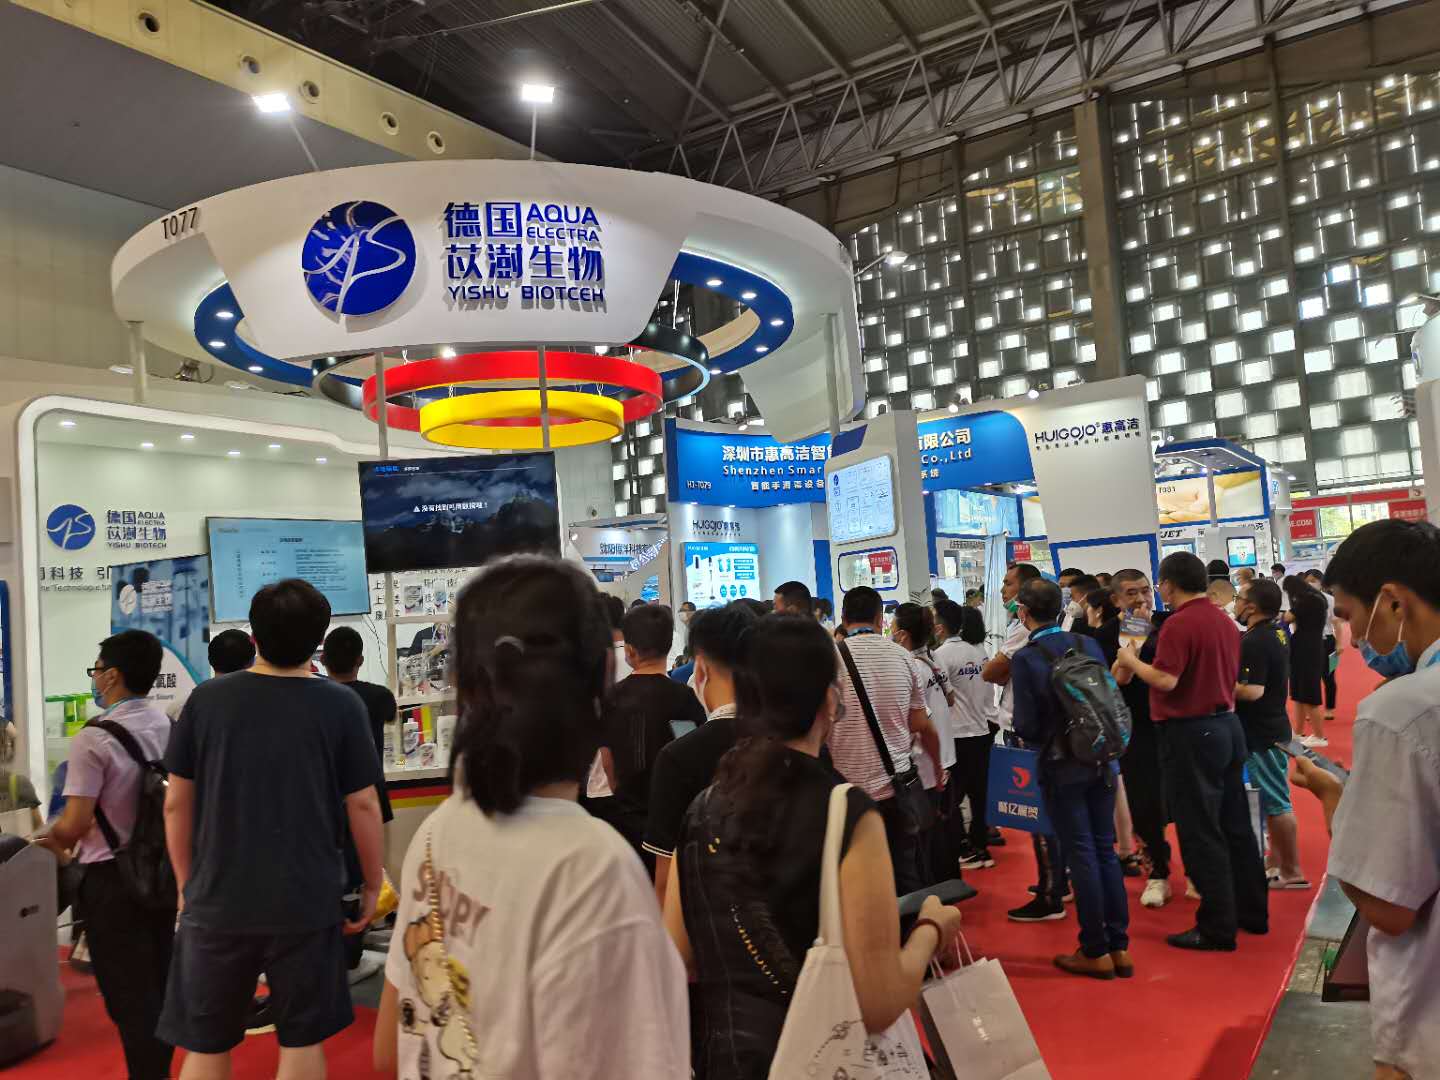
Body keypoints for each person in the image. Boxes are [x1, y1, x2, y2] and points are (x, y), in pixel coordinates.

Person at [374, 555, 690, 1078]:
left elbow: (389, 1049)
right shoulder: (592, 867)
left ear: (466, 687)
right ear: (602, 679)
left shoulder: (438, 831)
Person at [664, 614, 962, 1079]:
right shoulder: (844, 811)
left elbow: (678, 956)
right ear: (829, 699)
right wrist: (931, 930)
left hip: (724, 1060)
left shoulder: (702, 807)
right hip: (821, 1059)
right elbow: (877, 1004)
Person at [158, 580, 385, 1080]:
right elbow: (364, 804)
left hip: (217, 898)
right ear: (318, 642)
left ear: (253, 637)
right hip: (307, 898)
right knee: (301, 1041)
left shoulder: (207, 701)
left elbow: (176, 803)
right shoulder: (340, 705)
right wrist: (372, 883)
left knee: (207, 1044)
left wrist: (185, 884)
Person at [1291, 519, 1440, 1080]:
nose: (1353, 638)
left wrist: (1337, 803)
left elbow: (1388, 904)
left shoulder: (1404, 710)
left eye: (1352, 615)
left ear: (1394, 602)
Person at [32, 630, 175, 1080]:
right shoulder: (166, 725)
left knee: (128, 996)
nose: (94, 679)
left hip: (112, 882)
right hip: (162, 871)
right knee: (158, 982)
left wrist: (48, 839)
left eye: (95, 671)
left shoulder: (93, 739)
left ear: (112, 676)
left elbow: (75, 824)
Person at [1113, 552, 1268, 951]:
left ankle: (1217, 926)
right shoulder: (1223, 620)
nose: (1146, 595)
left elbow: (1165, 680)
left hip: (1191, 731)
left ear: (1167, 585)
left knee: (1200, 830)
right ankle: (1252, 911)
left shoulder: (1179, 624)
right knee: (1235, 824)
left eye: (1151, 587)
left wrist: (1129, 658)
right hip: (1226, 725)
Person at [1010, 580, 1132, 980]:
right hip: (1102, 757)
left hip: (1061, 765)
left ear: (1024, 613)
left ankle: (1094, 949)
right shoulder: (1088, 644)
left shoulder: (1026, 658)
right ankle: (1119, 947)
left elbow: (1026, 724)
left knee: (1080, 852)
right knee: (1104, 849)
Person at [644, 602, 759, 906]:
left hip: (706, 920)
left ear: (701, 669)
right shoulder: (788, 741)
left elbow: (665, 882)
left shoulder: (677, 758)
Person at [830, 585, 940, 896]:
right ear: (881, 619)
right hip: (896, 788)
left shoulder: (829, 659)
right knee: (904, 872)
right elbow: (921, 725)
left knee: (853, 878)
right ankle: (910, 925)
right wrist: (937, 768)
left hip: (845, 792)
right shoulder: (903, 657)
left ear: (844, 618)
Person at [985, 562, 1070, 920]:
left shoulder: (1025, 640)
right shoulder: (1077, 640)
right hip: (1068, 738)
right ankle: (1058, 881)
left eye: (1008, 584)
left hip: (1034, 740)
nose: (1003, 590)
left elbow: (991, 671)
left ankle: (1051, 892)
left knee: (1041, 817)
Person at [597, 604, 706, 858]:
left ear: (629, 650)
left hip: (625, 813)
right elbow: (691, 752)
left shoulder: (612, 697)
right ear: (669, 646)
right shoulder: (684, 697)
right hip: (673, 816)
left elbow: (607, 759)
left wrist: (618, 790)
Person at [1094, 570, 1173, 907]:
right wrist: (1135, 634)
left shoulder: (1168, 625)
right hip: (1135, 728)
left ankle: (1199, 872)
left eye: (1145, 591)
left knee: (1187, 800)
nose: (1141, 599)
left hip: (1176, 722)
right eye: (1131, 593)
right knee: (1144, 803)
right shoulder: (1105, 635)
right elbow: (1117, 680)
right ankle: (1158, 871)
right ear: (1115, 599)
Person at [1232, 579, 1307, 890]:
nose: (1235, 603)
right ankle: (1276, 863)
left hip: (1262, 732)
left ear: (1251, 606)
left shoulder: (1254, 641)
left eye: (1239, 597)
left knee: (1276, 804)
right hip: (1272, 726)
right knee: (1271, 802)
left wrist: (1216, 684)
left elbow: (1253, 691)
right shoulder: (1277, 631)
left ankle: (1292, 871)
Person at [892, 602, 956, 884]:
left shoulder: (910, 668)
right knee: (939, 829)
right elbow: (950, 699)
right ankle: (946, 882)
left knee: (923, 838)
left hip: (926, 762)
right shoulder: (933, 659)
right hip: (943, 755)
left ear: (903, 634)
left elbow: (917, 723)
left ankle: (932, 890)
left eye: (893, 627)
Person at [934, 601, 996, 870]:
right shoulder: (978, 653)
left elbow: (941, 697)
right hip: (981, 730)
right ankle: (980, 846)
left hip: (957, 735)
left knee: (952, 796)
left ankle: (963, 846)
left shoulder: (940, 656)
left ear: (940, 625)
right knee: (979, 794)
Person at [1283, 575, 1329, 747]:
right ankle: (1298, 732)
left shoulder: (1308, 600)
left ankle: (1319, 736)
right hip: (1306, 647)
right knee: (1298, 694)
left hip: (1307, 649)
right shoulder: (1316, 598)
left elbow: (1287, 617)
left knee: (1309, 694)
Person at [1304, 568, 1343, 727]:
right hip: (1308, 642)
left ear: (1321, 582)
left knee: (1329, 677)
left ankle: (1329, 708)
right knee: (1310, 678)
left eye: (1313, 581)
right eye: (1307, 581)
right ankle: (1311, 709)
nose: (1310, 584)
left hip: (1328, 642)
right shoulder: (1300, 600)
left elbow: (1337, 623)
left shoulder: (1330, 600)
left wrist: (1339, 643)